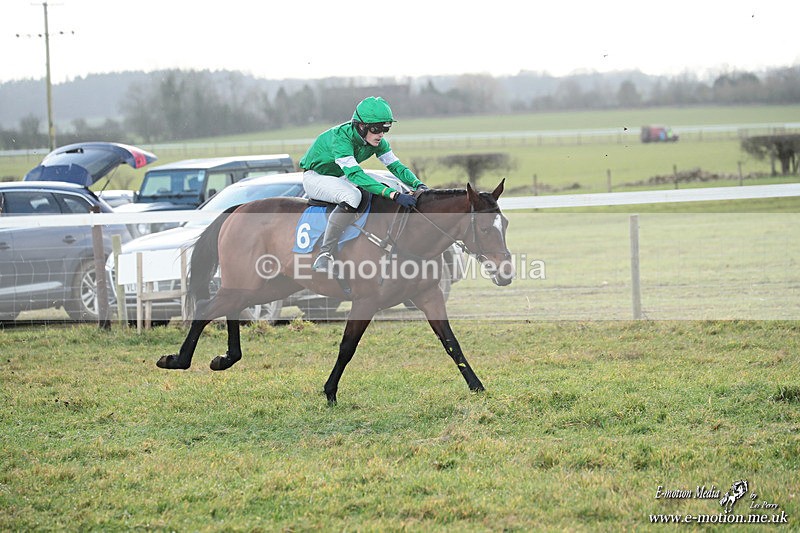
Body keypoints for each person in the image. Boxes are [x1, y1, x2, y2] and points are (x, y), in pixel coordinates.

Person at [300, 96, 428, 273]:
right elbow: (355, 174)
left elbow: (396, 167)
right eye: (377, 129)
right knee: (353, 196)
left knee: (394, 183)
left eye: (386, 128)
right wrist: (393, 196)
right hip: (316, 178)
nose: (381, 134)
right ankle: (325, 253)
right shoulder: (341, 138)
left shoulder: (377, 142)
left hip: (339, 175)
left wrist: (418, 184)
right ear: (361, 126)